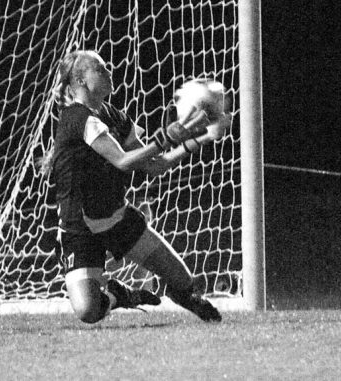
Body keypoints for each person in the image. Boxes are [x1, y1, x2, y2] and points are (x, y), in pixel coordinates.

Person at [48, 50, 228, 324]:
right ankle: (119, 296)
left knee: (183, 280)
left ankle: (186, 300)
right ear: (81, 81)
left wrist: (199, 138)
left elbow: (154, 166)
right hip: (80, 230)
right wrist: (165, 137)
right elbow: (123, 161)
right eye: (100, 69)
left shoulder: (116, 118)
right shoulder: (76, 119)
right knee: (88, 311)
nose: (109, 73)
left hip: (118, 220)